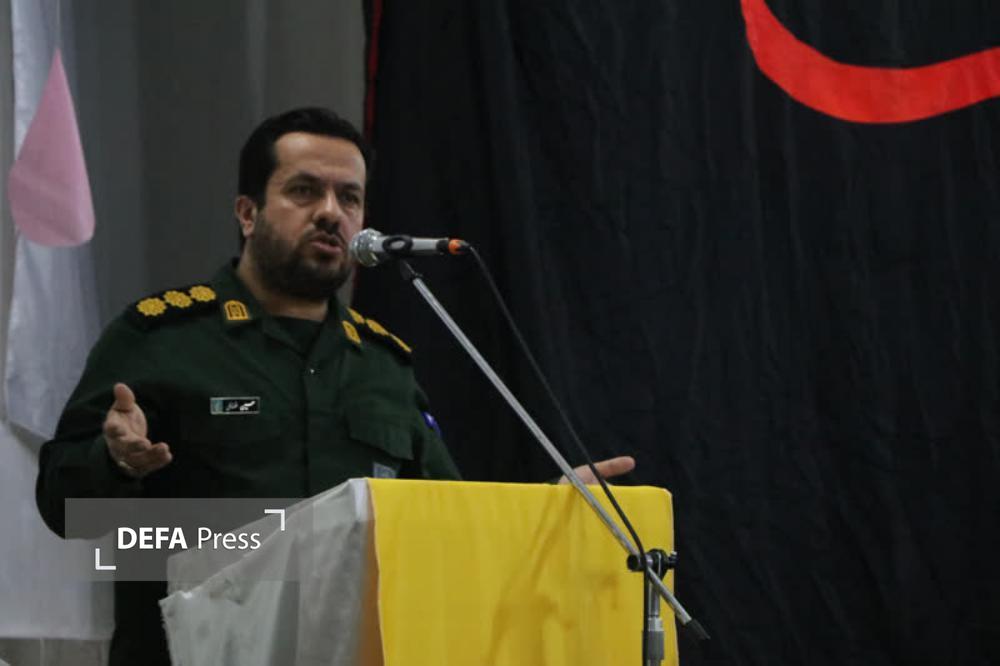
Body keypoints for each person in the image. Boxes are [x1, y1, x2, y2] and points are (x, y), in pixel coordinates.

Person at [35, 107, 634, 665]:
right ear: (247, 213)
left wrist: (545, 511)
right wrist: (115, 463)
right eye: (304, 191)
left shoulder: (383, 365)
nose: (330, 212)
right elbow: (66, 513)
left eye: (349, 197)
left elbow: (446, 522)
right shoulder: (162, 338)